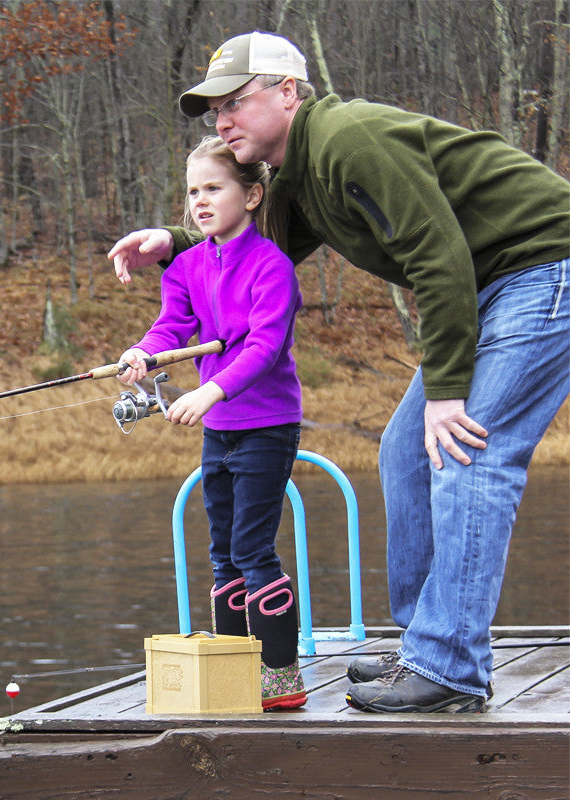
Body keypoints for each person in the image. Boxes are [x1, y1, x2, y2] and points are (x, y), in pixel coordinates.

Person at [109, 31, 570, 713]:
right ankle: (427, 644)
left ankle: (448, 666)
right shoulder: (296, 176)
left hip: (541, 267)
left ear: (287, 93)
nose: (223, 120)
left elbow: (437, 255)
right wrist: (173, 241)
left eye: (236, 101)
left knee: (469, 453)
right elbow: (259, 246)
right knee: (403, 453)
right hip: (489, 285)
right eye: (215, 112)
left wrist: (445, 393)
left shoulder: (346, 141)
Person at [119, 135, 306, 711]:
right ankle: (231, 666)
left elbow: (266, 346)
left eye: (213, 189)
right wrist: (142, 354)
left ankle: (281, 676)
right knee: (222, 550)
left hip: (266, 423)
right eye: (192, 192)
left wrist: (210, 389)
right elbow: (171, 327)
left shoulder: (271, 265)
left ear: (251, 196)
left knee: (253, 548)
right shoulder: (186, 265)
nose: (199, 201)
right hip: (218, 424)